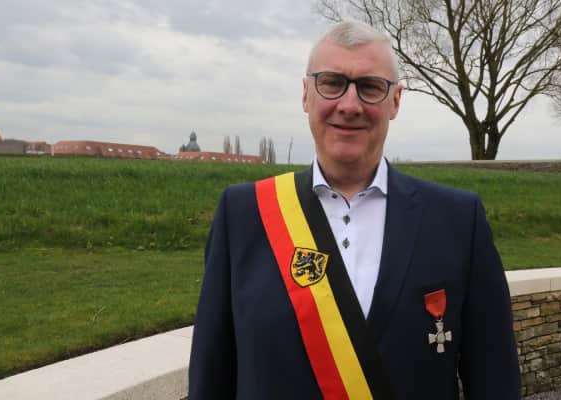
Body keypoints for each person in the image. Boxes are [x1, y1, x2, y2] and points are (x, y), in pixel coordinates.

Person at [188, 21, 521, 400]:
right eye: (331, 83)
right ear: (306, 95)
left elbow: (495, 380)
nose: (349, 105)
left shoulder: (459, 221)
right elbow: (211, 376)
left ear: (395, 101)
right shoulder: (243, 215)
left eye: (370, 87)